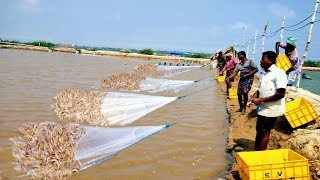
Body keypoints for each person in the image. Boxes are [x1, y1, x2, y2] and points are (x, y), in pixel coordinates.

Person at [250, 51, 288, 151]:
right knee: (259, 130)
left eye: (263, 59)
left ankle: (260, 155)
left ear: (270, 61)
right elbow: (259, 89)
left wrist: (261, 99)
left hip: (272, 109)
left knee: (265, 131)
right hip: (262, 107)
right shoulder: (265, 73)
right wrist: (253, 97)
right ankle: (256, 152)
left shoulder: (279, 73)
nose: (260, 61)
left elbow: (281, 94)